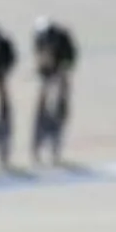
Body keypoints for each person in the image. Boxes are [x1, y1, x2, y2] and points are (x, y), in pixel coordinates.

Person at [32, 16, 77, 156]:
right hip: (49, 65)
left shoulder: (62, 38)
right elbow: (39, 56)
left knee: (62, 87)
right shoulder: (39, 38)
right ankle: (41, 114)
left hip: (63, 61)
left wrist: (62, 71)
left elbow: (70, 59)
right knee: (44, 88)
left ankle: (61, 114)